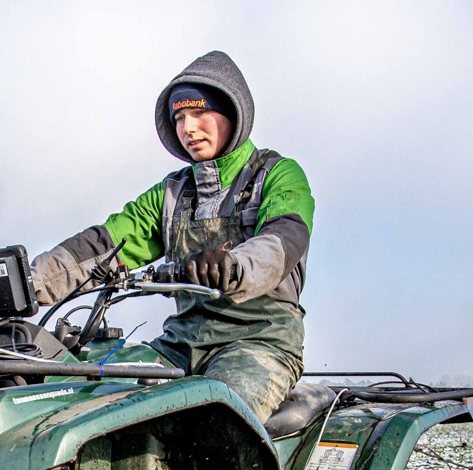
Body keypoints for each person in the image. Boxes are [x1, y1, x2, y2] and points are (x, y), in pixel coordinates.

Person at [30, 50, 313, 422]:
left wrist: (232, 266)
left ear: (233, 111)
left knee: (212, 422)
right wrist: (23, 285)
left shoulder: (277, 175)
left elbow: (280, 243)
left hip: (259, 345)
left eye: (198, 113)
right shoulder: (172, 193)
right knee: (85, 388)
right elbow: (103, 245)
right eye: (179, 118)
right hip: (181, 346)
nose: (188, 128)